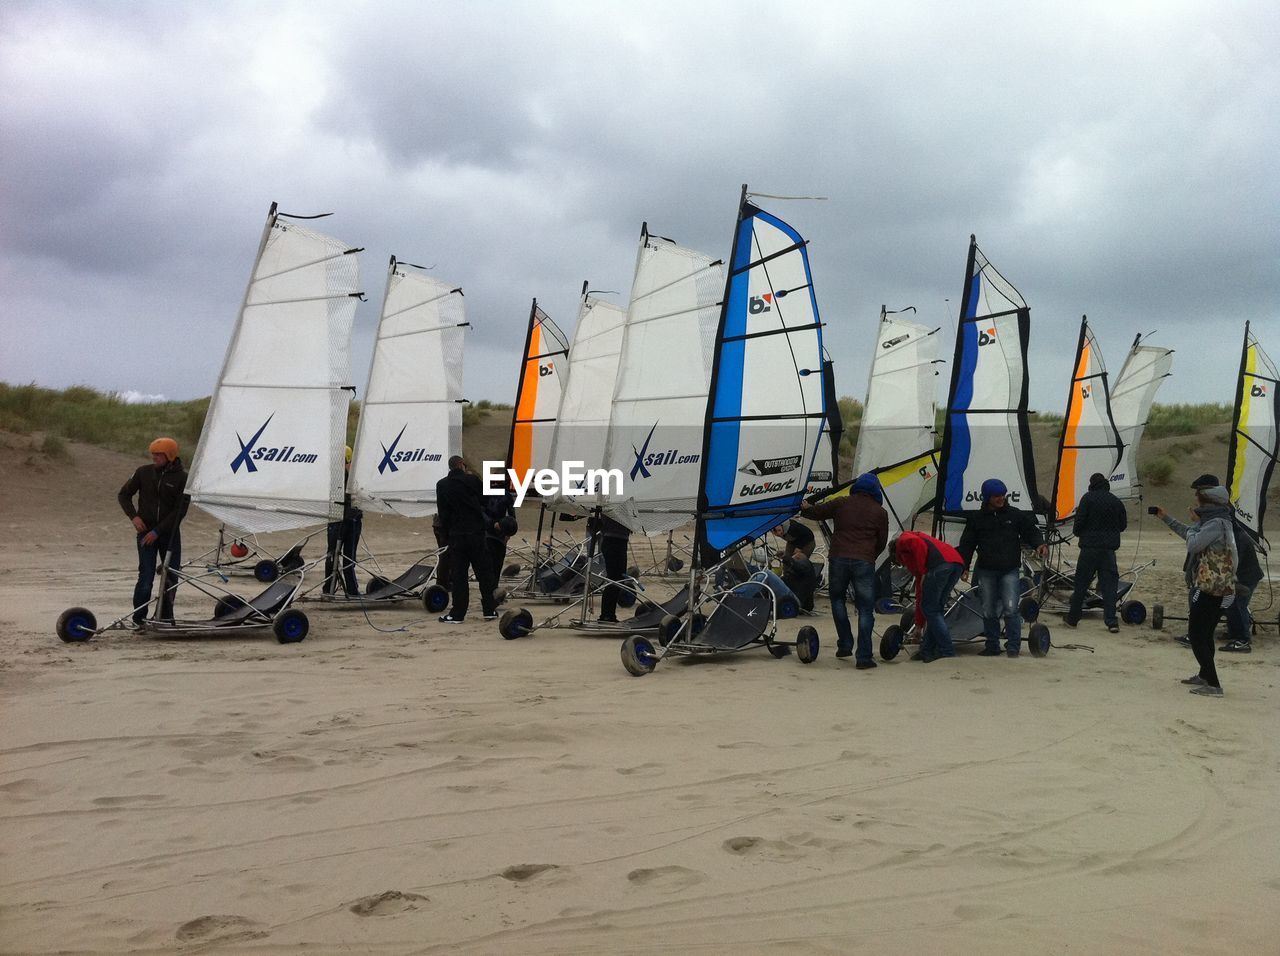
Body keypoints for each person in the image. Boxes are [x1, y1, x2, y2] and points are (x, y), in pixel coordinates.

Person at [1154, 485, 1237, 697]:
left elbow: (1193, 543)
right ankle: (1205, 675)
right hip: (1221, 588)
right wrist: (1167, 518)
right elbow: (1190, 534)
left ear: (1208, 503)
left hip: (1211, 588)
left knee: (1196, 635)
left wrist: (1195, 524)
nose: (1197, 504)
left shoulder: (1215, 524)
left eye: (1200, 500)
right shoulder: (1218, 522)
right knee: (1206, 634)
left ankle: (1214, 684)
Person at [801, 473, 889, 668]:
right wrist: (870, 556)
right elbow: (882, 542)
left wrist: (806, 508)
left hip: (839, 558)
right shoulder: (880, 512)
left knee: (838, 600)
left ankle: (845, 644)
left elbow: (816, 512)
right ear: (875, 490)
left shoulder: (842, 503)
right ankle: (864, 657)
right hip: (864, 561)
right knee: (866, 609)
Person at [957, 478, 1047, 657]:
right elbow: (967, 544)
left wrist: (1039, 544)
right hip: (986, 571)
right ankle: (992, 646)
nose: (1001, 499)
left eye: (1003, 495)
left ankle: (1013, 647)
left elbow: (1031, 531)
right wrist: (964, 566)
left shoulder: (1015, 515)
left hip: (1009, 571)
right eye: (996, 496)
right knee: (988, 610)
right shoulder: (976, 519)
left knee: (1011, 608)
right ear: (987, 497)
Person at [118, 437, 188, 624]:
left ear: (170, 455)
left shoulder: (182, 478)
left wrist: (157, 532)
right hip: (145, 533)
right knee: (146, 576)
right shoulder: (143, 472)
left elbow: (179, 511)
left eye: (158, 454)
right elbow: (123, 495)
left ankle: (165, 618)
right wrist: (134, 516)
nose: (154, 457)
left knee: (171, 575)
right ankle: (139, 619)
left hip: (170, 535)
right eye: (153, 454)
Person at [435, 456, 499, 622]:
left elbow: (443, 513)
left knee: (459, 576)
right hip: (476, 533)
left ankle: (458, 613)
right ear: (462, 465)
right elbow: (486, 500)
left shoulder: (442, 485)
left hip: (457, 535)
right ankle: (489, 610)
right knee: (484, 573)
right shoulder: (472, 480)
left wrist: (448, 531)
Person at [1065, 472, 1128, 633]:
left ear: (1092, 483)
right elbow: (1123, 525)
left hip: (1089, 549)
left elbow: (1078, 525)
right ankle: (1111, 621)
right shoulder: (1115, 501)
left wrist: (1082, 533)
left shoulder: (1087, 498)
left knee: (1081, 584)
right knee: (1109, 586)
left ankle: (1073, 619)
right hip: (1108, 550)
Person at [892, 530, 966, 661]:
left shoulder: (902, 541)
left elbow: (916, 543)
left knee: (931, 609)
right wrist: (919, 625)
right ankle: (927, 649)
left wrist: (923, 570)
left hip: (940, 565)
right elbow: (921, 594)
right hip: (956, 562)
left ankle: (947, 650)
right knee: (934, 609)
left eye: (901, 563)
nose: (904, 566)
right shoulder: (917, 554)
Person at [324, 445, 362, 596]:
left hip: (336, 519)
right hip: (348, 520)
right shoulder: (348, 477)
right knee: (347, 556)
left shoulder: (331, 476)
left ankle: (329, 587)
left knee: (332, 555)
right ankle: (352, 590)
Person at [589, 512, 632, 623]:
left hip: (618, 540)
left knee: (617, 579)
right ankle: (607, 615)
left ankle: (608, 614)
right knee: (615, 579)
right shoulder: (614, 504)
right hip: (613, 541)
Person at [771, 517, 819, 611]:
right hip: (793, 541)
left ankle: (796, 584)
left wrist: (799, 548)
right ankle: (787, 580)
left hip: (807, 542)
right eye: (776, 533)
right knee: (788, 558)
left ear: (782, 526)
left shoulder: (793, 528)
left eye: (780, 531)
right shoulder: (780, 529)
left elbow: (808, 535)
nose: (779, 534)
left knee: (798, 560)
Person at [483, 480, 518, 583]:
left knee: (493, 563)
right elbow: (512, 515)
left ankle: (491, 587)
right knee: (493, 563)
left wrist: (507, 533)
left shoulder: (505, 495)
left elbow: (512, 516)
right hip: (494, 531)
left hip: (499, 531)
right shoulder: (505, 495)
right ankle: (491, 588)